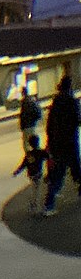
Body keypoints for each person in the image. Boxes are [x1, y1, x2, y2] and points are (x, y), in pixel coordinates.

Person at [43, 75, 81, 217]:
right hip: (70, 142)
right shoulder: (72, 101)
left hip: (57, 144)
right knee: (76, 169)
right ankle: (49, 204)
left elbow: (49, 125)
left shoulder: (55, 102)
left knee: (58, 173)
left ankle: (49, 204)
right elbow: (78, 119)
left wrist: (50, 141)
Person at [12, 134, 50, 215]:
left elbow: (23, 164)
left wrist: (17, 171)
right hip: (38, 174)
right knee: (37, 191)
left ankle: (33, 205)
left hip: (31, 175)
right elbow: (49, 157)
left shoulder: (29, 154)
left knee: (35, 189)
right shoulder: (41, 152)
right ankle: (36, 206)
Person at [19, 87, 42, 153]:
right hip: (31, 124)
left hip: (27, 125)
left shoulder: (26, 102)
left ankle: (32, 158)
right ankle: (37, 157)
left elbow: (24, 115)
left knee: (27, 144)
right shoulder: (30, 100)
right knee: (32, 142)